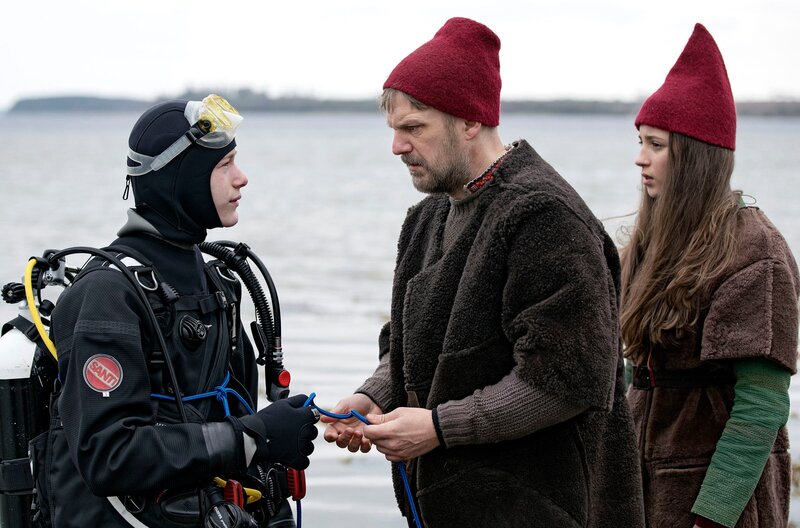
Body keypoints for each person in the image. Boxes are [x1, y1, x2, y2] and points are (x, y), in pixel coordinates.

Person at [322, 17, 645, 528]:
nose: (397, 147)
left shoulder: (543, 216)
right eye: (395, 130)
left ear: (470, 120)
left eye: (414, 128)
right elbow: (405, 347)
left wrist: (437, 427)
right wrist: (372, 397)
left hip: (549, 508)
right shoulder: (428, 217)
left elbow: (567, 380)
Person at [40, 95, 319, 527]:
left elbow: (236, 420)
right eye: (224, 165)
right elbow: (108, 455)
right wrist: (253, 437)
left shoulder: (218, 283)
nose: (242, 178)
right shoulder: (106, 294)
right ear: (181, 178)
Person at [622, 23, 799, 528]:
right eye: (641, 141)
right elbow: (638, 374)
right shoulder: (657, 241)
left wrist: (713, 518)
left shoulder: (756, 252)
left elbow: (762, 406)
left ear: (695, 155)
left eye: (656, 144)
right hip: (645, 489)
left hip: (716, 506)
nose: (640, 157)